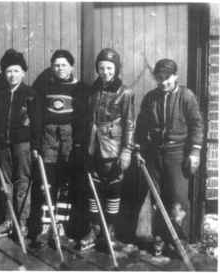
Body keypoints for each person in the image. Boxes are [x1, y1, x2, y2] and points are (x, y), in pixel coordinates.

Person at [135, 58, 203, 256]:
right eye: (159, 78)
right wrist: (138, 147)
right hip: (155, 153)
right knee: (157, 197)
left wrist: (195, 151)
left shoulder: (186, 96)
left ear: (176, 76)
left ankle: (179, 239)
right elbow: (141, 125)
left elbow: (197, 125)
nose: (163, 82)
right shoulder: (151, 97)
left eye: (167, 78)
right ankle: (159, 237)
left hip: (178, 154)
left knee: (178, 198)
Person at [73, 48, 135, 251]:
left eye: (109, 68)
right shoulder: (93, 89)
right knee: (94, 187)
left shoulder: (125, 92)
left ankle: (110, 229)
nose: (105, 72)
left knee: (113, 188)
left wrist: (126, 150)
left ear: (116, 69)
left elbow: (129, 123)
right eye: (101, 68)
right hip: (93, 146)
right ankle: (94, 228)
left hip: (113, 147)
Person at [29, 49, 84, 248]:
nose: (60, 68)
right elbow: (36, 116)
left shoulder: (79, 89)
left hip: (69, 140)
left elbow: (83, 120)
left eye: (64, 65)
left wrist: (78, 145)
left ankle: (59, 225)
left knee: (65, 183)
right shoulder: (45, 87)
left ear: (71, 66)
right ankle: (46, 225)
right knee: (48, 181)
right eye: (56, 65)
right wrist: (36, 143)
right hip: (49, 138)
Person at [0, 49, 36, 239]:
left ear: (23, 72)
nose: (12, 75)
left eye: (16, 71)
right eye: (9, 71)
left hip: (23, 145)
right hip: (2, 144)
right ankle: (8, 220)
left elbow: (37, 123)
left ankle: (22, 222)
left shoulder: (30, 93)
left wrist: (36, 146)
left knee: (23, 182)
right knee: (4, 183)